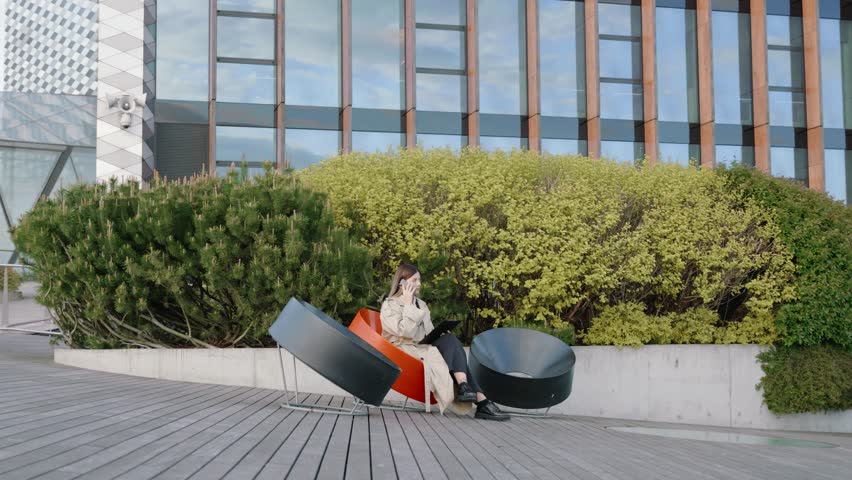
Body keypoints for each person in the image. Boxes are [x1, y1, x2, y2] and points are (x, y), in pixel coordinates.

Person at [380, 263, 509, 421]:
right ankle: (481, 401)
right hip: (404, 352)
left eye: (419, 280)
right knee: (452, 349)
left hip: (423, 347)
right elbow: (405, 333)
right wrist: (407, 305)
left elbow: (427, 333)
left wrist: (438, 334)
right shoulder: (390, 305)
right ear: (402, 282)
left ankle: (465, 387)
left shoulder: (421, 304)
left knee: (449, 339)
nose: (419, 284)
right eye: (414, 280)